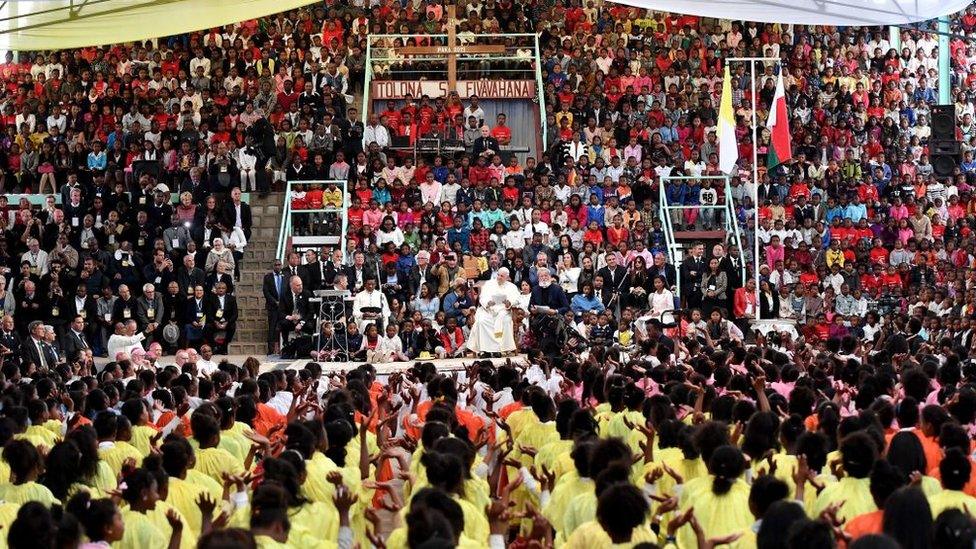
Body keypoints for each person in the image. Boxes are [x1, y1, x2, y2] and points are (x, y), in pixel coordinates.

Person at [467, 267, 521, 357]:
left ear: (507, 278)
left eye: (502, 276)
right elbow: (482, 297)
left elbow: (517, 299)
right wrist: (488, 303)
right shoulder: (489, 284)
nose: (499, 277)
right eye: (498, 275)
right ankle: (484, 351)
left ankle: (499, 350)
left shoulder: (512, 287)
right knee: (481, 322)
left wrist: (509, 303)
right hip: (488, 310)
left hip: (503, 311)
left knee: (506, 321)